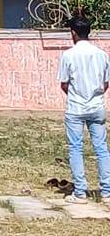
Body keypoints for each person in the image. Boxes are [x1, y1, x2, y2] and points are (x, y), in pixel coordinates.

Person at [58, 15, 110, 204]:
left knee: (75, 148)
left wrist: (75, 94)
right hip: (97, 106)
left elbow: (64, 84)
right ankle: (107, 191)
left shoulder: (69, 55)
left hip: (76, 107)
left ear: (73, 33)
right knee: (102, 148)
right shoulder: (101, 54)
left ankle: (80, 192)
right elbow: (105, 84)